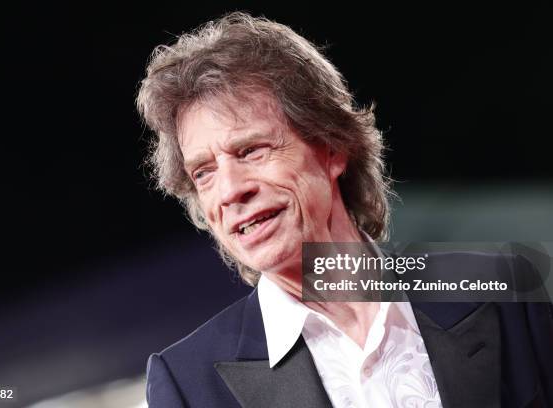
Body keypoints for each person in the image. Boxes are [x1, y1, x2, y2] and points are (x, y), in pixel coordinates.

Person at [136, 12, 553, 408]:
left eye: (251, 150)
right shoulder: (189, 385)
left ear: (332, 148)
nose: (230, 191)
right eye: (204, 173)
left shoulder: (501, 290)